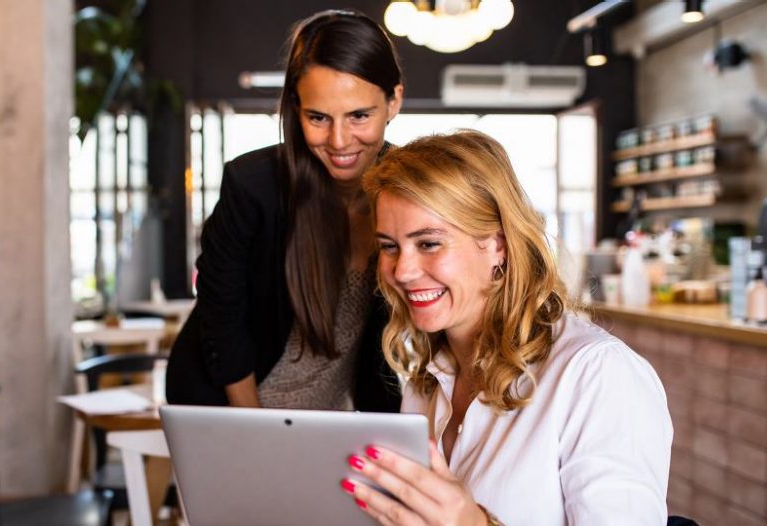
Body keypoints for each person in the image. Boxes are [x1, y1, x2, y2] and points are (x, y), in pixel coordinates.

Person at [340, 131, 673, 525]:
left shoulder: (597, 375)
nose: (402, 270)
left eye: (428, 243)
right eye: (389, 246)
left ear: (498, 244)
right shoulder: (425, 379)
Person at [166, 10, 404, 412]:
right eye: (318, 118)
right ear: (297, 107)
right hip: (230, 403)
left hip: (330, 412)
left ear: (393, 101)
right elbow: (221, 316)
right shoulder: (253, 186)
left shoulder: (409, 190)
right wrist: (253, 428)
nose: (340, 141)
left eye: (359, 115)